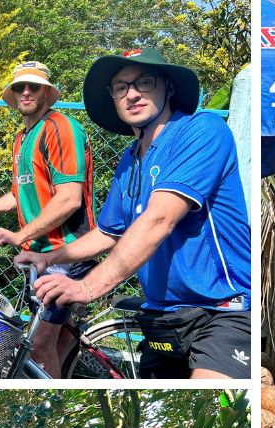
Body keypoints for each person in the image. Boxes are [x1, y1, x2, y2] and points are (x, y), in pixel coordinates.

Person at [20, 48, 251, 380]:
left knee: (214, 400)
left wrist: (86, 288)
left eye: (145, 82)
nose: (132, 94)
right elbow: (108, 233)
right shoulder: (130, 160)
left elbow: (160, 219)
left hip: (221, 310)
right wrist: (48, 258)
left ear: (169, 88)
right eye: (121, 87)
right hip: (162, 316)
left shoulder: (202, 131)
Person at [0, 61, 97, 377]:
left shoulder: (60, 128)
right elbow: (18, 194)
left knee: (40, 344)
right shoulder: (22, 138)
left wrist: (20, 236)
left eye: (34, 86)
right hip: (41, 253)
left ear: (47, 91)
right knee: (58, 340)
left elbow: (70, 199)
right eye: (20, 86)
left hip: (66, 251)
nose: (27, 91)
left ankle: (49, 401)